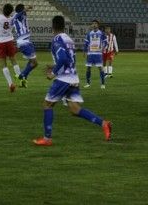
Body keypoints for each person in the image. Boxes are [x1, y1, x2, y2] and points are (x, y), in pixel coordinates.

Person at [32, 15, 112, 146]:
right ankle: (104, 124)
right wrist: (54, 65)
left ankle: (47, 139)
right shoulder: (68, 39)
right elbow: (68, 59)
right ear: (64, 26)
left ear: (52, 27)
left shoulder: (57, 39)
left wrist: (53, 72)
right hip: (73, 77)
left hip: (64, 79)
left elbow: (63, 59)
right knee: (74, 109)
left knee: (47, 105)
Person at [13, 4, 38, 87]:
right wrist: (26, 9)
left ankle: (23, 81)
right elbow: (18, 14)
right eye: (23, 9)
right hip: (23, 41)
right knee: (34, 63)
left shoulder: (22, 16)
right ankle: (20, 76)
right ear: (21, 10)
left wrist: (26, 10)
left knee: (32, 62)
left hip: (27, 41)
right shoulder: (17, 16)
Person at [83, 19, 108, 89]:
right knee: (88, 68)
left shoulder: (101, 33)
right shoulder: (89, 34)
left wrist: (103, 49)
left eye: (95, 23)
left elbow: (106, 42)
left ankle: (103, 84)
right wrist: (84, 52)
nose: (94, 25)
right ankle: (88, 83)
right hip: (90, 54)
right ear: (91, 25)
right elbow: (86, 43)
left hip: (98, 54)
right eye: (93, 23)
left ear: (98, 25)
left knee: (100, 68)